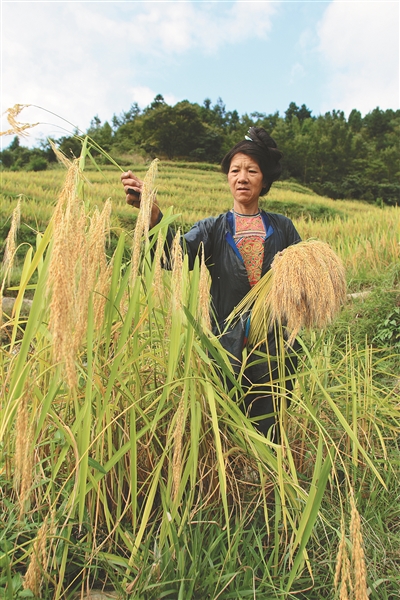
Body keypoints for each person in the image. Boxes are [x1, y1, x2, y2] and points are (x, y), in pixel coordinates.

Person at [121, 127, 301, 440]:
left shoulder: (282, 228)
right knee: (228, 428)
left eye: (251, 170)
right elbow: (173, 255)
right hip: (227, 344)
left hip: (274, 347)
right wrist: (151, 213)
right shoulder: (213, 228)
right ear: (228, 178)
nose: (242, 177)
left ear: (265, 180)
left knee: (269, 428)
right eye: (235, 170)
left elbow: (304, 278)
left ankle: (268, 482)